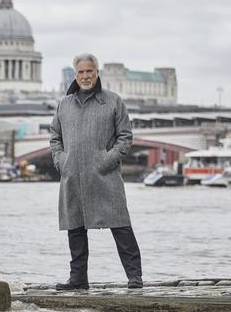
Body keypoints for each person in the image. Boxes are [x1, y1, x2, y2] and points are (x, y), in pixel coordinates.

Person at [49, 53, 143, 290]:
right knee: (75, 229)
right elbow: (54, 137)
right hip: (72, 176)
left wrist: (107, 160)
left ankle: (135, 277)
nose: (85, 76)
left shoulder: (113, 101)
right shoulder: (64, 104)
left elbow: (125, 137)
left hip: (105, 175)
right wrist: (62, 161)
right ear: (75, 74)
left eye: (89, 71)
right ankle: (78, 279)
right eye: (81, 72)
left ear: (97, 72)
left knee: (121, 225)